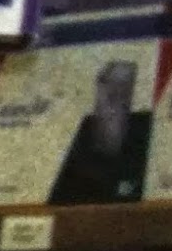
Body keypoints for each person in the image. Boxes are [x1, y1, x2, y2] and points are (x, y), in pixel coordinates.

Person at [49, 59, 151, 205]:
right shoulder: (80, 139)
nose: (115, 96)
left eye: (121, 91)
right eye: (111, 91)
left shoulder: (141, 131)